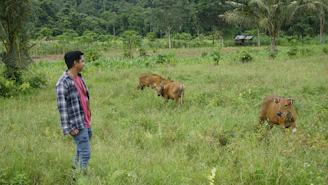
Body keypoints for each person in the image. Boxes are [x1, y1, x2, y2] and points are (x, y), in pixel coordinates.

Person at [56, 50, 92, 171]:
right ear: (75, 63)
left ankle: (75, 170)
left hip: (85, 121)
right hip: (76, 124)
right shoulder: (63, 83)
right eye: (82, 61)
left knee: (81, 148)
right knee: (86, 153)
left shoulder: (79, 78)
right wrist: (69, 127)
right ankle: (82, 178)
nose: (84, 64)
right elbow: (62, 108)